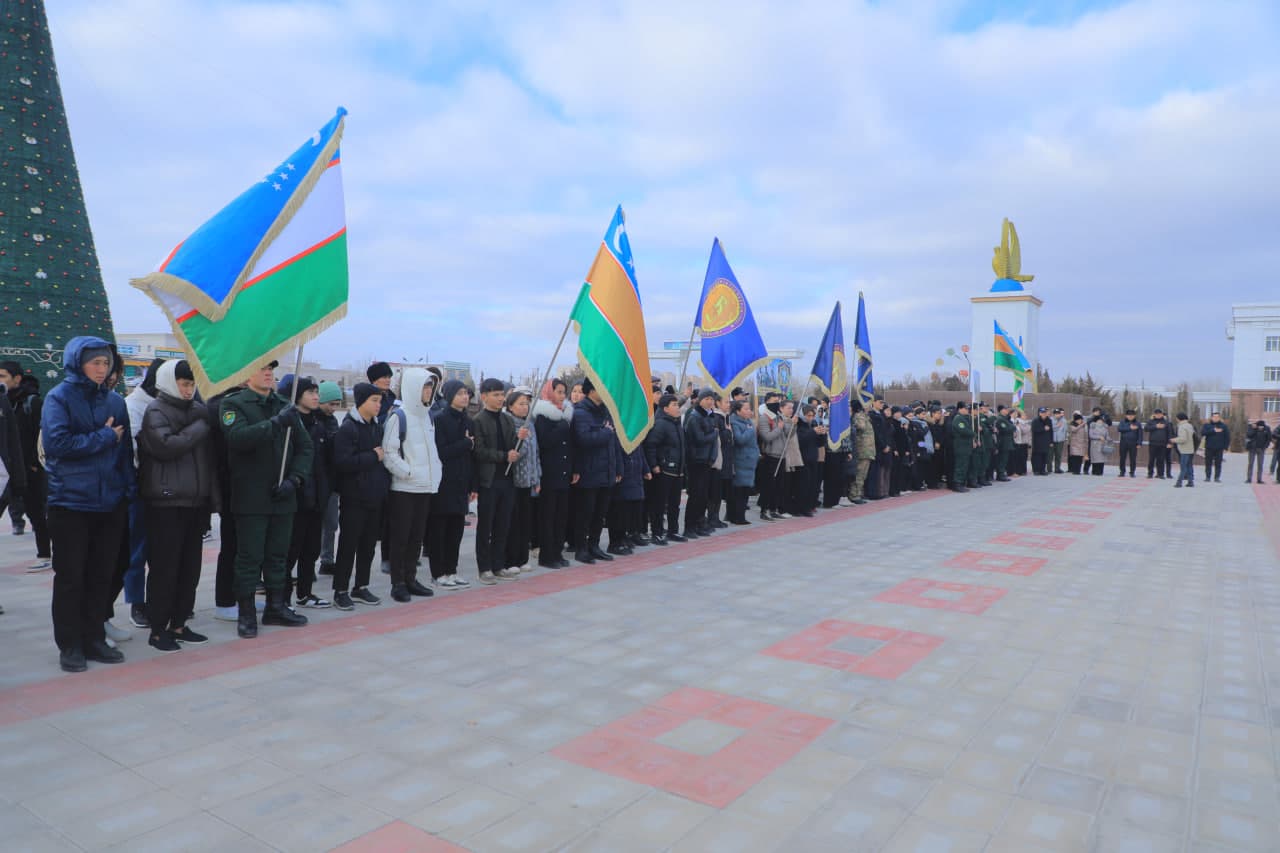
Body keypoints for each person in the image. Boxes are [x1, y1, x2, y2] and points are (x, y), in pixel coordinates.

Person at [43, 337, 134, 672]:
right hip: (70, 502)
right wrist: (104, 437)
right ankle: (70, 645)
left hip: (110, 504)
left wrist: (128, 491)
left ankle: (94, 638)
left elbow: (126, 455)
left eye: (105, 363)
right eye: (95, 362)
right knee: (71, 577)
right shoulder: (59, 398)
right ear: (77, 362)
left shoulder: (114, 401)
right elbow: (57, 444)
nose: (102, 369)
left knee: (100, 575)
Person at [220, 359, 312, 638]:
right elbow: (238, 438)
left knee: (278, 556)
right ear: (246, 374)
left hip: (282, 496)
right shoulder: (234, 405)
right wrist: (274, 424)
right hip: (251, 497)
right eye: (262, 367)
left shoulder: (283, 404)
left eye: (271, 368)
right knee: (249, 557)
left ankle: (276, 606)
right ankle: (246, 612)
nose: (269, 372)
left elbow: (305, 448)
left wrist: (294, 479)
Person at [137, 360, 216, 651]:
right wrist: (198, 429)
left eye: (191, 384)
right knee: (164, 568)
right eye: (183, 384)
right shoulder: (156, 410)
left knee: (189, 568)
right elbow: (165, 446)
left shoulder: (198, 410)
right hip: (166, 503)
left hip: (195, 502)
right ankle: (158, 629)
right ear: (170, 382)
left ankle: (180, 623)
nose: (188, 389)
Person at [382, 367, 441, 602]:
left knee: (417, 537)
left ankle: (411, 578)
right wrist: (408, 473)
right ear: (413, 388)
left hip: (425, 487)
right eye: (425, 386)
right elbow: (389, 452)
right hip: (404, 488)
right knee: (401, 538)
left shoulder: (427, 416)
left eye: (431, 386)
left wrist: (435, 472)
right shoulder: (399, 416)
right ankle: (398, 583)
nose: (429, 391)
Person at [331, 383, 390, 608]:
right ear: (361, 402)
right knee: (348, 545)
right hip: (354, 498)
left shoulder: (376, 426)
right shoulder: (348, 428)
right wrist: (372, 457)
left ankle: (361, 586)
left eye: (379, 400)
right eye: (374, 400)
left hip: (374, 496)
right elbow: (342, 462)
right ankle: (340, 590)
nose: (378, 405)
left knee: (367, 546)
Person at [471, 378, 526, 583]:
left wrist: (519, 439)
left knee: (503, 524)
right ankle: (484, 568)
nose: (501, 398)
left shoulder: (507, 420)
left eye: (502, 395)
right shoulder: (478, 420)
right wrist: (504, 456)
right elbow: (479, 452)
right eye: (496, 395)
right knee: (486, 525)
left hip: (507, 479)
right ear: (484, 396)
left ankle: (498, 564)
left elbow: (514, 448)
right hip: (489, 480)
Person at [0, 362, 49, 570]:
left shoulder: (32, 402)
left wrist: (35, 464)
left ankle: (45, 554)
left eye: (3, 376)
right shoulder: (4, 402)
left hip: (29, 468)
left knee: (36, 513)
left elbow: (41, 435)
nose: (0, 380)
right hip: (6, 470)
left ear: (17, 378)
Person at [427, 380, 475, 588]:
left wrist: (473, 485)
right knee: (440, 530)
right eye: (460, 393)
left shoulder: (468, 421)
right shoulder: (439, 420)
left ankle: (452, 570)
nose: (465, 397)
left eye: (467, 393)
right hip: (443, 482)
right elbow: (441, 452)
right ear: (449, 395)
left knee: (456, 530)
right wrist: (465, 443)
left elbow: (472, 456)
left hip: (461, 482)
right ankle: (438, 573)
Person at [571, 377, 622, 563]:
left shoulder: (605, 410)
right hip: (588, 471)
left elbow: (614, 441)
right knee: (585, 513)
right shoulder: (581, 412)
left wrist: (617, 467)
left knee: (600, 514)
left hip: (606, 470)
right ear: (591, 390)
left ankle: (594, 545)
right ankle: (581, 549)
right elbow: (584, 439)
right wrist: (605, 432)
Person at [533, 380, 572, 568]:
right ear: (550, 393)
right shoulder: (543, 416)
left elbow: (570, 446)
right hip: (549, 474)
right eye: (558, 392)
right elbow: (545, 442)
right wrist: (562, 426)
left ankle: (557, 553)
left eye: (564, 392)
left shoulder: (566, 416)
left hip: (564, 473)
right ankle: (547, 556)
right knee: (547, 517)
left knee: (561, 516)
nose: (562, 396)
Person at [504, 387, 542, 571]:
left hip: (529, 480)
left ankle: (522, 559)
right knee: (514, 521)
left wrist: (537, 478)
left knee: (525, 520)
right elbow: (516, 453)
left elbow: (536, 454)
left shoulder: (530, 424)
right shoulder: (508, 423)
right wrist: (519, 439)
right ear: (510, 406)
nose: (525, 407)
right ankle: (511, 560)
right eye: (520, 404)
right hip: (514, 480)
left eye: (527, 404)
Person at [644, 393, 685, 543]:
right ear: (665, 408)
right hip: (664, 469)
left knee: (675, 504)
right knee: (659, 504)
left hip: (678, 470)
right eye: (674, 405)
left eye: (677, 404)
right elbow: (651, 445)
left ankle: (673, 531)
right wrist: (654, 464)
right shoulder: (660, 423)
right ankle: (657, 532)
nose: (677, 407)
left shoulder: (677, 423)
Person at [316, 381, 344, 576]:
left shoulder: (333, 421)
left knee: (331, 523)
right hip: (316, 481)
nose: (333, 409)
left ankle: (327, 559)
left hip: (332, 482)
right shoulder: (312, 420)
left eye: (337, 404)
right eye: (330, 404)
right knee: (313, 525)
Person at [683, 389, 719, 536]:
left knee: (703, 495)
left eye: (712, 399)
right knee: (695, 495)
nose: (710, 402)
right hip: (696, 460)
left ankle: (699, 523)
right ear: (700, 400)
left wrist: (712, 457)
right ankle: (689, 527)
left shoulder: (711, 415)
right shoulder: (694, 416)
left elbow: (711, 442)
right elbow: (699, 439)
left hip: (706, 460)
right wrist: (715, 433)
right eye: (707, 399)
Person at [727, 400, 758, 524]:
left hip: (749, 461)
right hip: (741, 461)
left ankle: (740, 516)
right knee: (739, 491)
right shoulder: (734, 422)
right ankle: (737, 517)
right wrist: (750, 430)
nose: (749, 411)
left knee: (745, 490)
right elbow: (739, 439)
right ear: (738, 411)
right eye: (746, 409)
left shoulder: (748, 422)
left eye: (749, 409)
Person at [708, 394, 735, 526]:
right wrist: (728, 432)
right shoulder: (716, 418)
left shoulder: (725, 417)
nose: (728, 404)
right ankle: (712, 518)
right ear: (718, 403)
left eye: (729, 402)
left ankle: (716, 517)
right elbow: (721, 438)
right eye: (725, 402)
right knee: (715, 491)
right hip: (718, 459)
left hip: (726, 459)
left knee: (719, 491)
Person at [793, 404, 823, 514]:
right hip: (803, 458)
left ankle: (810, 505)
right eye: (808, 415)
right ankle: (802, 507)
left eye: (812, 416)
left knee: (813, 484)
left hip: (813, 457)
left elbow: (819, 443)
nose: (810, 418)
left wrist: (821, 434)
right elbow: (801, 440)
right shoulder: (799, 425)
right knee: (803, 485)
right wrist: (813, 432)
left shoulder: (813, 424)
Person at [848, 400, 874, 504]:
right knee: (859, 474)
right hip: (862, 450)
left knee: (863, 475)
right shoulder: (859, 416)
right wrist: (862, 416)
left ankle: (859, 493)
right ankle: (854, 495)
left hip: (868, 450)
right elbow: (861, 426)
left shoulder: (864, 416)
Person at [949, 401, 974, 492]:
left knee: (964, 465)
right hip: (961, 446)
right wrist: (973, 433)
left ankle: (961, 483)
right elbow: (964, 431)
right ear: (960, 409)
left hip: (966, 446)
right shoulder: (958, 419)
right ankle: (957, 483)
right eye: (965, 408)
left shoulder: (964, 418)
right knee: (960, 466)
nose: (967, 410)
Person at [1200, 412, 1229, 483]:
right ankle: (1207, 477)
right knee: (1208, 463)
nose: (1216, 418)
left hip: (1219, 448)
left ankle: (1217, 477)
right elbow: (1203, 433)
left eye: (1217, 417)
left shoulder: (1223, 426)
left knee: (1218, 463)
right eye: (1214, 417)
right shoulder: (1207, 425)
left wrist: (1225, 448)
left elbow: (1227, 437)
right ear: (1211, 418)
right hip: (1209, 447)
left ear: (1219, 418)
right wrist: (1213, 430)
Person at [1144, 410, 1173, 479]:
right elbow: (1146, 429)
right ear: (1154, 414)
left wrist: (1169, 442)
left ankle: (1160, 474)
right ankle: (1150, 473)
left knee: (1161, 459)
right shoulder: (1151, 421)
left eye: (1160, 414)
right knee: (1151, 459)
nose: (1158, 415)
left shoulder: (1166, 422)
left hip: (1163, 444)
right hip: (1153, 443)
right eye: (1156, 414)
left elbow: (1170, 433)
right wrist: (1155, 426)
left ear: (1162, 414)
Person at [1116, 410, 1142, 478]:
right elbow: (1119, 429)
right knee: (1122, 458)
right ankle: (1122, 471)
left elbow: (1140, 434)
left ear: (1134, 416)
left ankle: (1132, 472)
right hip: (1123, 442)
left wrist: (1139, 443)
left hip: (1133, 443)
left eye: (1132, 415)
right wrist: (1129, 428)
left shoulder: (1138, 423)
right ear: (1126, 416)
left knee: (1133, 458)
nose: (1130, 416)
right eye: (1129, 415)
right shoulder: (1122, 422)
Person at [1172, 412, 1196, 487]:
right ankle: (1190, 482)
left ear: (1179, 418)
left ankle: (1179, 482)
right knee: (1189, 466)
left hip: (1184, 449)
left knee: (1183, 467)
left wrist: (1174, 440)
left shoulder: (1182, 427)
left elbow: (1183, 439)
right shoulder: (1189, 425)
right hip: (1190, 448)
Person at [1246, 420, 1271, 484]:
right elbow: (1249, 435)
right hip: (1252, 448)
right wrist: (1254, 429)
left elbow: (1269, 439)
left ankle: (1259, 479)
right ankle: (1249, 479)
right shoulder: (1252, 427)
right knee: (1250, 464)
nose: (1260, 428)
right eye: (1259, 427)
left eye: (1262, 427)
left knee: (1260, 465)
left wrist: (1265, 447)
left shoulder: (1267, 429)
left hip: (1261, 449)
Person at [993, 405, 1014, 482]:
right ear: (1001, 410)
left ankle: (1002, 474)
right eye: (1005, 409)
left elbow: (1012, 427)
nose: (1007, 410)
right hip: (1002, 442)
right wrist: (1012, 427)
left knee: (1004, 459)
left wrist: (1011, 427)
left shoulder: (1005, 419)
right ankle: (1000, 474)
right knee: (1002, 459)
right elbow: (1006, 429)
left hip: (1007, 441)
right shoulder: (1000, 419)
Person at [1030, 407, 1054, 476]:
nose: (1044, 414)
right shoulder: (1036, 420)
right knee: (1037, 456)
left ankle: (1042, 470)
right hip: (1038, 442)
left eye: (1045, 413)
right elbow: (1034, 430)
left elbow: (1051, 431)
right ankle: (1036, 470)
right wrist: (1043, 429)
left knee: (1044, 456)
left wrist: (1051, 441)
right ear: (1039, 413)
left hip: (1046, 441)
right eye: (1042, 413)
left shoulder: (1049, 420)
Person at [1051, 408, 1067, 473]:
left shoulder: (1064, 420)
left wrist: (1064, 437)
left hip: (1060, 440)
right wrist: (1057, 426)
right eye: (1056, 414)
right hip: (1052, 440)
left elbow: (1065, 430)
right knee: (1050, 455)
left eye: (1059, 414)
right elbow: (1052, 429)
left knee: (1058, 455)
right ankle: (1049, 469)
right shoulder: (1050, 420)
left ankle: (1057, 469)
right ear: (1054, 414)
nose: (1058, 415)